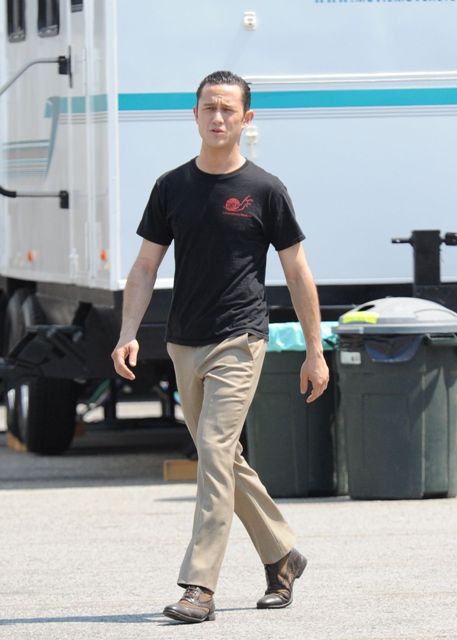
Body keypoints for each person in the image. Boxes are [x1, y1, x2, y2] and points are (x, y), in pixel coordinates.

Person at [112, 70, 329, 624]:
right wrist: (127, 333)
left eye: (228, 109)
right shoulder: (171, 187)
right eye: (209, 107)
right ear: (194, 114)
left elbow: (297, 272)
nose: (217, 117)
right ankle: (283, 554)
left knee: (212, 449)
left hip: (240, 337)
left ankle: (199, 586)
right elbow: (145, 266)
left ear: (246, 119)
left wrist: (315, 350)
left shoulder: (265, 189)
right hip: (184, 341)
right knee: (223, 457)